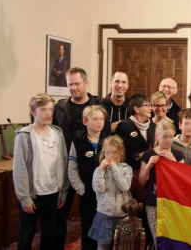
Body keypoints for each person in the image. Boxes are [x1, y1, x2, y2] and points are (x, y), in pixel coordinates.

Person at [52, 67, 100, 249]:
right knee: (60, 214)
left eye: (77, 83)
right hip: (64, 167)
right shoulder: (60, 107)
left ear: (86, 83)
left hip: (90, 167)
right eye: (70, 84)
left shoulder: (97, 105)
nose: (73, 87)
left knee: (91, 215)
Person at [13, 94, 69, 250]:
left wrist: (63, 192)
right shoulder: (24, 136)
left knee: (50, 235)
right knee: (26, 235)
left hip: (52, 193)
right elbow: (20, 169)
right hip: (32, 195)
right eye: (43, 110)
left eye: (50, 109)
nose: (48, 114)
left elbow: (63, 163)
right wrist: (25, 198)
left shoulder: (57, 134)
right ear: (33, 112)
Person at [115, 94, 155, 246]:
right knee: (135, 208)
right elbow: (121, 152)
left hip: (150, 174)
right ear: (137, 109)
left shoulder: (153, 125)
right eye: (147, 105)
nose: (150, 108)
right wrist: (140, 156)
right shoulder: (124, 126)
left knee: (148, 209)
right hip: (132, 174)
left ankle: (148, 241)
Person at [68, 105, 107, 250]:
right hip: (88, 194)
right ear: (85, 122)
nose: (99, 122)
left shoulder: (108, 140)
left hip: (106, 194)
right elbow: (72, 169)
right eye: (95, 119)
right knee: (88, 231)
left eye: (101, 119)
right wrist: (81, 189)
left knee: (104, 231)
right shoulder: (78, 142)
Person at [140, 120, 185, 245]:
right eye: (165, 136)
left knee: (172, 238)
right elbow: (142, 181)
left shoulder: (178, 154)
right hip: (153, 202)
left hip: (172, 202)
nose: (168, 140)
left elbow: (182, 180)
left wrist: (172, 160)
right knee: (158, 239)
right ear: (157, 136)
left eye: (171, 137)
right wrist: (149, 165)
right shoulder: (148, 154)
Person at [88, 135, 133, 250]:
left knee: (122, 245)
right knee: (103, 244)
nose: (110, 156)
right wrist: (100, 170)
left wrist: (114, 168)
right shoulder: (99, 170)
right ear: (104, 153)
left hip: (122, 215)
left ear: (121, 152)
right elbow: (99, 189)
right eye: (108, 153)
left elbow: (124, 187)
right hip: (104, 214)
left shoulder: (126, 169)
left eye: (114, 152)